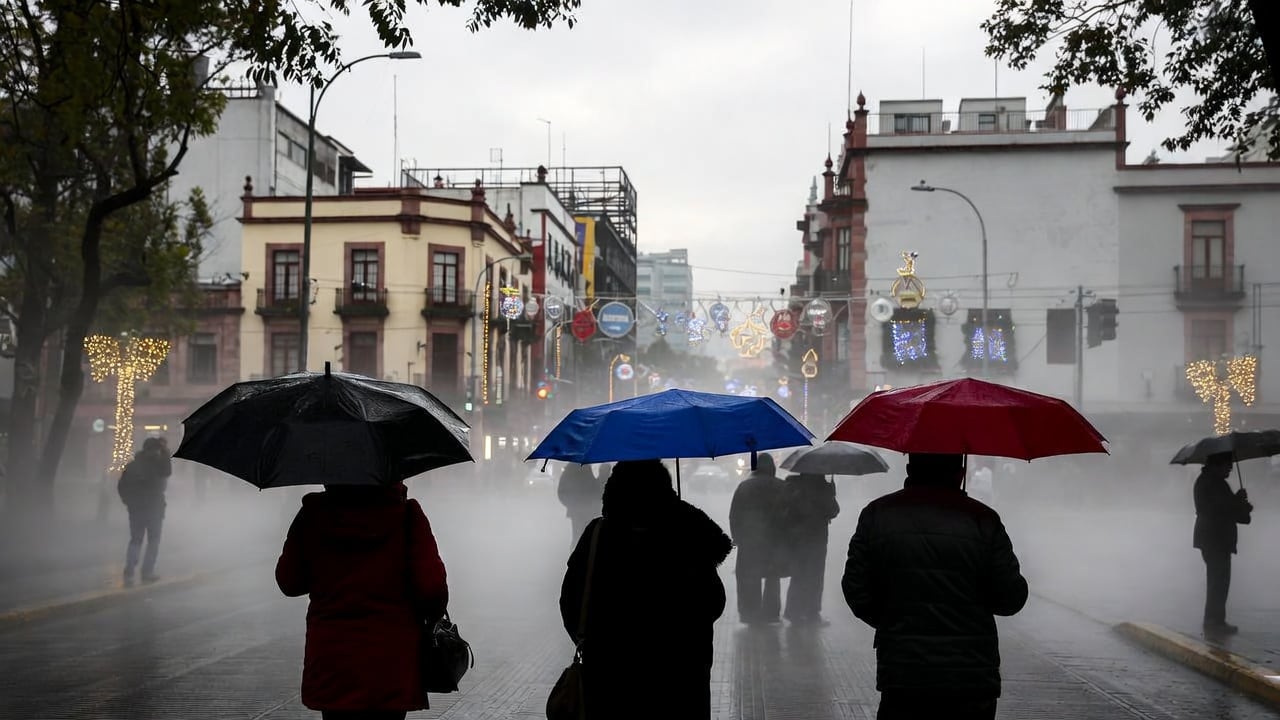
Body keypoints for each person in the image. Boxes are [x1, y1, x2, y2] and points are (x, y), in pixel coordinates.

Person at [843, 453, 1028, 720]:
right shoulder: (984, 520)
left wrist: (891, 621)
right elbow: (1011, 599)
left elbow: (855, 587)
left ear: (909, 469)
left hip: (903, 673)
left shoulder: (877, 514)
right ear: (960, 473)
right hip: (970, 676)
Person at [559, 460, 732, 719]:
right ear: (665, 491)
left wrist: (593, 643)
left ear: (613, 491)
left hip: (610, 673)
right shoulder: (688, 536)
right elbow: (713, 601)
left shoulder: (598, 536)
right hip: (679, 675)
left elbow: (571, 599)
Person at [276, 482, 448, 720]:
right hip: (392, 662)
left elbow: (289, 581)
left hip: (333, 662)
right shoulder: (406, 516)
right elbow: (432, 589)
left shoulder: (313, 514)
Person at [1193, 452, 1253, 636]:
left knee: (1219, 581)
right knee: (1218, 581)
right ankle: (1213, 621)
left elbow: (1227, 508)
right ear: (1217, 465)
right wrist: (1238, 501)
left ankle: (1216, 619)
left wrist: (1240, 505)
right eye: (1227, 466)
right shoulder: (1210, 483)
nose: (1229, 470)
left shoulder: (1213, 482)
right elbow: (1219, 508)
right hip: (1214, 538)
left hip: (1215, 538)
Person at [728, 452, 788, 624]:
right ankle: (771, 613)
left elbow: (734, 515)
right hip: (775, 541)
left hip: (749, 541)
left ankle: (750, 613)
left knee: (749, 577)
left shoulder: (744, 487)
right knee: (772, 576)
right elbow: (788, 515)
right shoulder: (781, 486)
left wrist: (737, 537)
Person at [781, 473, 840, 624]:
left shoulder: (793, 485)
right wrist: (831, 492)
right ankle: (812, 613)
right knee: (815, 576)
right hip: (816, 538)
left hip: (796, 538)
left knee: (798, 575)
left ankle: (793, 612)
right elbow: (834, 511)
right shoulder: (822, 487)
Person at [118, 436, 172, 586]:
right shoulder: (157, 465)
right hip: (154, 509)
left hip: (135, 510)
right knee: (153, 541)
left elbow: (121, 486)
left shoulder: (132, 465)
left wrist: (128, 502)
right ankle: (147, 572)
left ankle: (129, 570)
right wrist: (165, 452)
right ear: (155, 450)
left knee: (135, 540)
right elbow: (167, 471)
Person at [557, 463, 602, 548]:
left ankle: (578, 557)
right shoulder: (576, 470)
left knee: (581, 538)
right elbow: (562, 492)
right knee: (581, 538)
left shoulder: (578, 469)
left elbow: (561, 492)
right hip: (582, 511)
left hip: (584, 511)